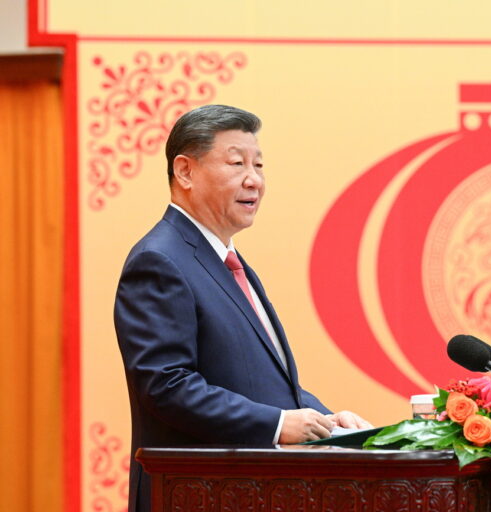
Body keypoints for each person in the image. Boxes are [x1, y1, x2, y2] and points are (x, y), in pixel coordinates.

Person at [114, 104, 371, 512]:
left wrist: (329, 423)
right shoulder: (160, 260)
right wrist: (278, 424)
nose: (254, 180)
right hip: (193, 495)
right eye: (237, 163)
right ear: (185, 172)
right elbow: (165, 385)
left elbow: (257, 382)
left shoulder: (226, 261)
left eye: (259, 165)